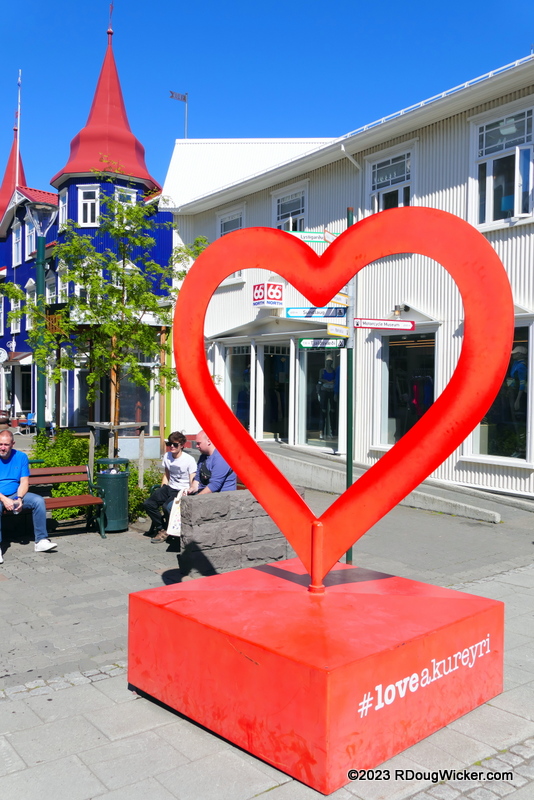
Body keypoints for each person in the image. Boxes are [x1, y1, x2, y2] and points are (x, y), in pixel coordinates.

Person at [0, 430, 57, 563]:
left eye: (6, 444)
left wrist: (19, 498)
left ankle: (41, 540)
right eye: (0, 444)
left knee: (38, 501)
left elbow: (24, 482)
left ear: (12, 444)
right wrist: (4, 499)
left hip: (15, 493)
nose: (2, 447)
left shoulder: (21, 457)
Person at [143, 431, 197, 543]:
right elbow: (167, 473)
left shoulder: (189, 460)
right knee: (148, 503)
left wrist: (190, 491)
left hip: (181, 490)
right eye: (169, 444)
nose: (172, 446)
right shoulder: (167, 456)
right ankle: (161, 529)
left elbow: (192, 479)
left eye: (175, 444)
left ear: (182, 445)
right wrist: (162, 487)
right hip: (170, 487)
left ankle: (170, 531)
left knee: (166, 507)